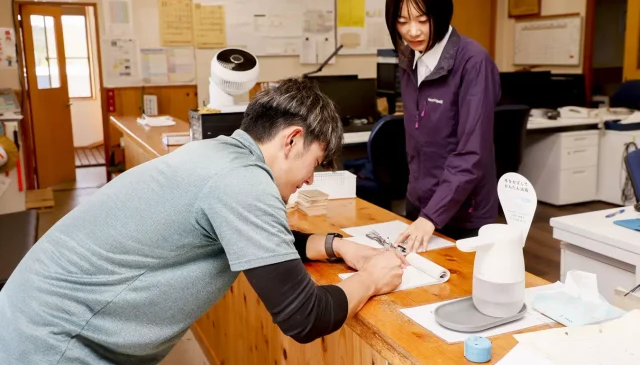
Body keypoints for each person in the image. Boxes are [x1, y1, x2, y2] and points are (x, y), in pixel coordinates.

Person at [0, 77, 407, 365]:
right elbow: (305, 316)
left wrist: (340, 246)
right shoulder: (242, 182)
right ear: (291, 140)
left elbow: (267, 242)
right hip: (53, 344)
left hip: (34, 316)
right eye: (314, 163)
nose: (309, 180)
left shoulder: (219, 155)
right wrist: (373, 278)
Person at [385, 0, 501, 253]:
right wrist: (421, 210)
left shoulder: (473, 63)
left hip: (465, 214)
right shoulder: (408, 56)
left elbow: (472, 153)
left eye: (422, 19)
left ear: (440, 12)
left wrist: (431, 216)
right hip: (422, 207)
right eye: (402, 21)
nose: (412, 31)